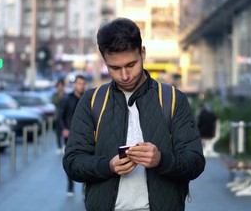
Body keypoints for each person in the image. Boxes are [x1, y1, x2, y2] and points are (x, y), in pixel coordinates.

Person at [63, 17, 205, 211]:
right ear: (104, 61)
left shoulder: (173, 99)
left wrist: (161, 160)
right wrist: (109, 166)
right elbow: (72, 162)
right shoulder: (91, 101)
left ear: (143, 53)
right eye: (115, 68)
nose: (124, 75)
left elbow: (195, 162)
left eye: (131, 65)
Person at [58, 74, 87, 196]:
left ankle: (85, 188)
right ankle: (70, 186)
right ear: (75, 84)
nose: (81, 86)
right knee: (70, 161)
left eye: (83, 84)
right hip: (69, 136)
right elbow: (60, 117)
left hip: (85, 136)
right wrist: (64, 129)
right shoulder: (67, 99)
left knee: (86, 161)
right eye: (79, 84)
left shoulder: (87, 98)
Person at [51, 79, 66, 154]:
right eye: (59, 86)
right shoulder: (55, 95)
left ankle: (65, 145)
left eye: (61, 86)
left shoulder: (65, 94)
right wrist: (61, 97)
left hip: (65, 117)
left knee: (65, 131)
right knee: (58, 132)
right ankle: (59, 146)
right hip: (57, 116)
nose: (60, 87)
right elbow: (55, 102)